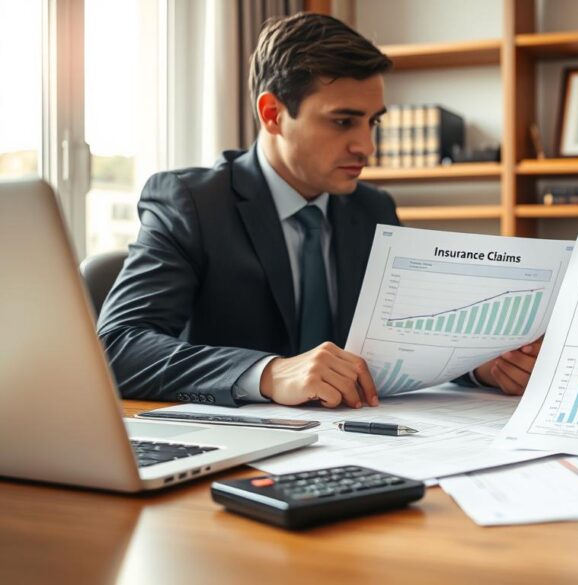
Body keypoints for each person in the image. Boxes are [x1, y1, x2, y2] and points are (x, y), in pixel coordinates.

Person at [97, 12, 540, 409]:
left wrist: (481, 367)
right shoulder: (191, 203)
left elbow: (412, 340)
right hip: (234, 448)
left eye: (372, 122)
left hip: (356, 441)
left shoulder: (373, 209)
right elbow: (116, 348)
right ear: (272, 114)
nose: (366, 147)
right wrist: (268, 374)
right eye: (343, 121)